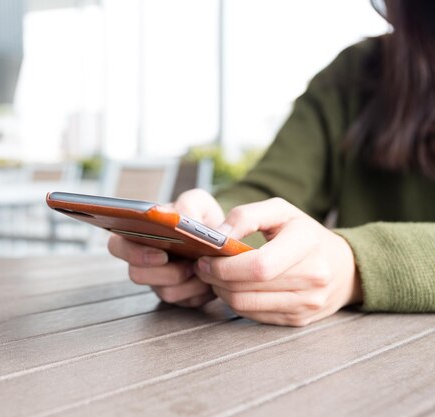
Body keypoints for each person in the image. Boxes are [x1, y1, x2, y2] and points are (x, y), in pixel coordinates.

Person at [108, 0, 435, 326]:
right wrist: (206, 232)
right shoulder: (359, 70)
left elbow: (343, 261)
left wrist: (356, 266)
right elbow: (274, 189)